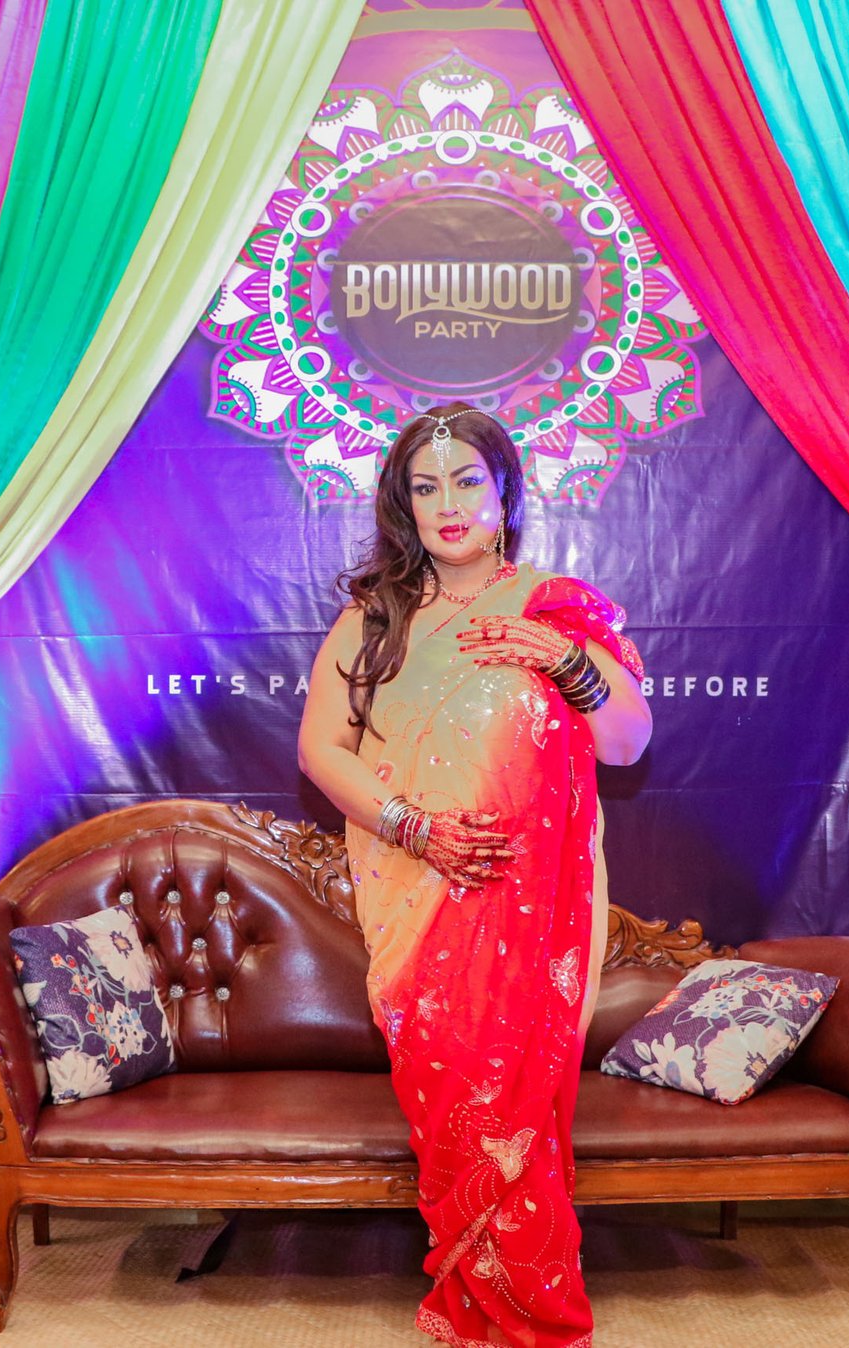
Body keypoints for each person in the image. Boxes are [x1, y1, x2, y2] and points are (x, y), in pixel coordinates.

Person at [297, 402, 652, 1347]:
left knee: (521, 1116)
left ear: (503, 494)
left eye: (465, 481)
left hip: (529, 920)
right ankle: (471, 1301)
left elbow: (626, 742)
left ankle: (531, 1313)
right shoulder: (373, 618)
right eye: (425, 487)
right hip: (420, 911)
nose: (447, 504)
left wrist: (568, 664)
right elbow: (322, 751)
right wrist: (414, 828)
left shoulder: (553, 608)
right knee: (456, 1108)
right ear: (403, 505)